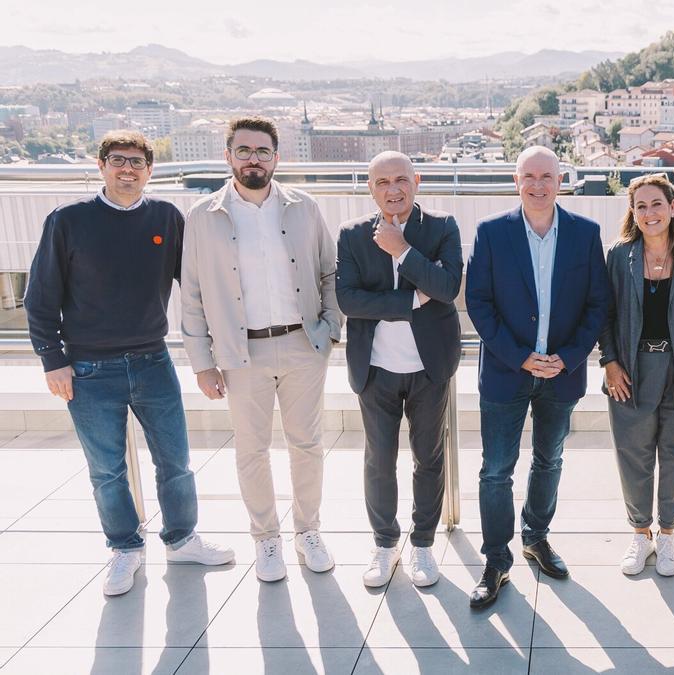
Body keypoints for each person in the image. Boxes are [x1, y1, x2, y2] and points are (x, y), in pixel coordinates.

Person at [24, 130, 234, 596]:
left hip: (152, 360)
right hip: (88, 368)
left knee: (175, 461)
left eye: (137, 162)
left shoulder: (165, 216)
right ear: (101, 166)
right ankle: (124, 549)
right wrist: (52, 360)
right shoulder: (68, 220)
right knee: (107, 469)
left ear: (149, 171)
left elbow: (195, 284)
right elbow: (38, 298)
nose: (127, 169)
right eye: (117, 160)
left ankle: (181, 540)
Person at [181, 116, 343, 583]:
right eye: (245, 150)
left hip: (302, 344)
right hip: (240, 353)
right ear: (228, 155)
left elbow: (329, 272)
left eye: (263, 151)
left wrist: (331, 328)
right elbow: (191, 295)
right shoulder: (202, 217)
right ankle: (266, 539)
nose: (254, 159)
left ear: (277, 157)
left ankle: (308, 532)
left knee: (307, 445)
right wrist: (202, 363)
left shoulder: (303, 207)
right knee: (251, 449)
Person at [464, 146, 608, 608]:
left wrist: (566, 357)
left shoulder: (586, 234)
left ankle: (536, 536)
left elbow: (597, 305)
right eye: (530, 176)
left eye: (547, 176)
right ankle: (496, 560)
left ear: (561, 180)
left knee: (550, 461)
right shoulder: (490, 233)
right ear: (516, 180)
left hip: (561, 374)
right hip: (507, 372)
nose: (538, 185)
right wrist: (521, 356)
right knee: (495, 471)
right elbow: (479, 304)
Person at [336, 151, 463, 589]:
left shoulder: (443, 227)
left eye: (401, 180)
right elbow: (349, 301)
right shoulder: (352, 235)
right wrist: (410, 301)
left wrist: (403, 251)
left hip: (430, 368)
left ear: (417, 181)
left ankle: (423, 544)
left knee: (429, 458)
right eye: (383, 182)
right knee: (379, 460)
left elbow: (447, 288)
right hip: (375, 369)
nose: (393, 189)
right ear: (371, 189)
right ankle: (385, 544)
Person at [598, 173, 674, 577]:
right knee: (633, 455)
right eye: (640, 206)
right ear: (633, 212)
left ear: (673, 207)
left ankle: (668, 535)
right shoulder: (618, 256)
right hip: (630, 369)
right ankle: (640, 534)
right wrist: (610, 361)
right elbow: (603, 314)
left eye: (656, 204)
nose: (649, 212)